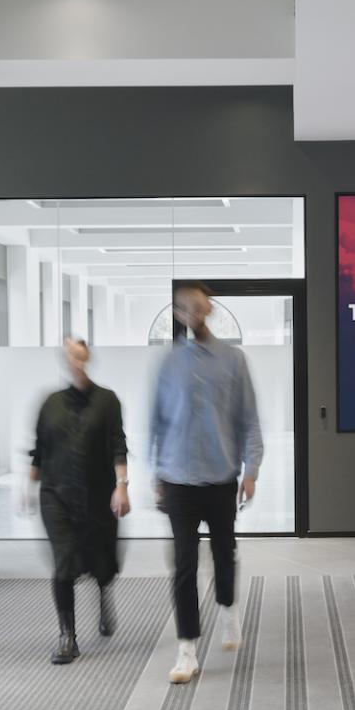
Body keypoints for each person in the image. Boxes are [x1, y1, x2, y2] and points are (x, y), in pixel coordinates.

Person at [150, 281, 265, 684]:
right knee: (183, 564)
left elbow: (248, 418)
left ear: (209, 310)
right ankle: (187, 650)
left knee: (223, 552)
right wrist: (155, 470)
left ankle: (229, 609)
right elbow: (158, 420)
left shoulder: (233, 360)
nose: (192, 314)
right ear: (179, 315)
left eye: (199, 307)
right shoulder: (169, 363)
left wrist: (251, 470)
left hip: (219, 476)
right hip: (178, 477)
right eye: (185, 309)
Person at [28, 337, 129, 665]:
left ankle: (103, 594)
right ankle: (67, 636)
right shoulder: (50, 403)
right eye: (71, 357)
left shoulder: (107, 401)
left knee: (102, 561)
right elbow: (39, 448)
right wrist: (29, 485)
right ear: (65, 360)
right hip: (56, 496)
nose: (77, 363)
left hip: (98, 495)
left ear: (88, 360)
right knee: (64, 562)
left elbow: (118, 444)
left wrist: (122, 485)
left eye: (81, 357)